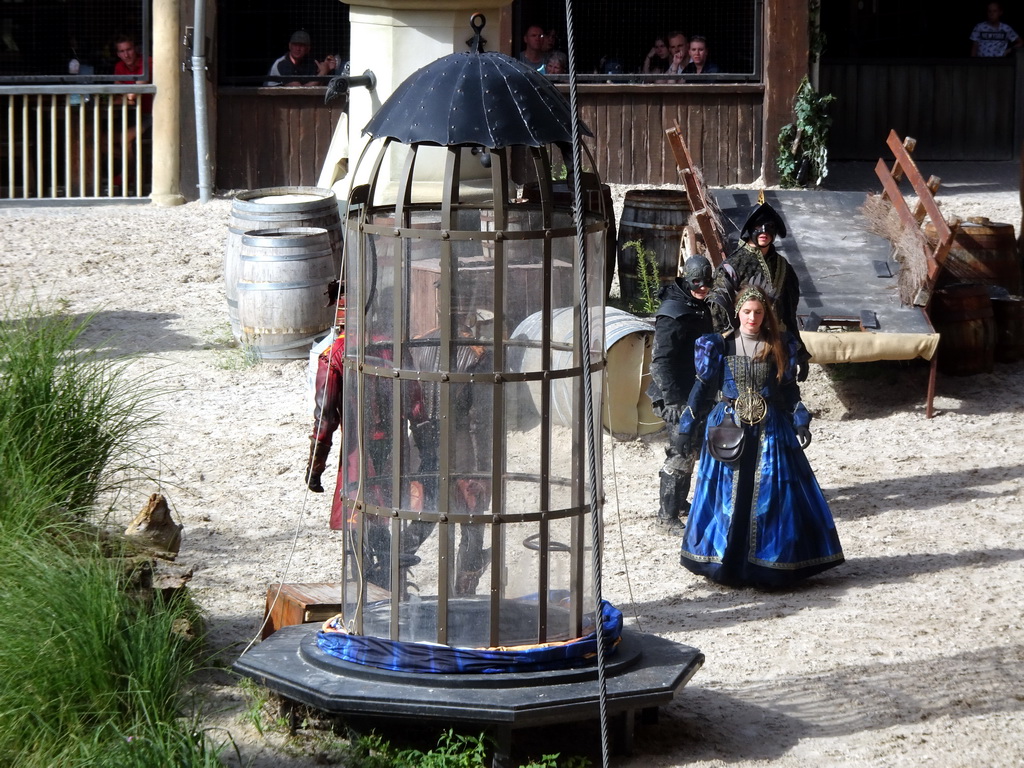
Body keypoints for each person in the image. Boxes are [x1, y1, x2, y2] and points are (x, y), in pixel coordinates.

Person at [677, 285, 844, 588]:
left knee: (773, 495)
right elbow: (701, 388)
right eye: (746, 312)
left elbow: (789, 390)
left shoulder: (779, 344)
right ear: (737, 313)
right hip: (728, 425)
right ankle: (725, 563)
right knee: (725, 497)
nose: (752, 317)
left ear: (765, 314)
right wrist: (685, 426)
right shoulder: (718, 345)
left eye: (758, 312)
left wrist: (801, 420)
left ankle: (770, 566)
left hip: (770, 428)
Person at [646, 254, 714, 531]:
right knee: (680, 451)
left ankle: (679, 503)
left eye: (707, 283)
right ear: (687, 281)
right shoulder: (673, 312)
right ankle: (667, 516)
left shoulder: (696, 304)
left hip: (695, 392)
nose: (703, 288)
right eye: (697, 283)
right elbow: (661, 360)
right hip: (677, 395)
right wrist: (673, 401)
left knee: (691, 448)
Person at [708, 199, 810, 381]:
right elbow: (718, 316)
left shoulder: (783, 266)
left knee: (781, 401)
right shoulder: (732, 266)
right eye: (758, 225)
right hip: (741, 350)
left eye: (770, 226)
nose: (764, 231)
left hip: (777, 346)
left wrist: (800, 352)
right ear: (749, 229)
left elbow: (788, 313)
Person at [266, 30, 336, 86]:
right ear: (290, 46)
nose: (298, 48)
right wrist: (323, 73)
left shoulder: (309, 63)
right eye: (295, 45)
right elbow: (300, 90)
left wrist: (327, 69)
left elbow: (316, 85)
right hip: (271, 100)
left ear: (308, 49)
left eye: (301, 45)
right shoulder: (283, 63)